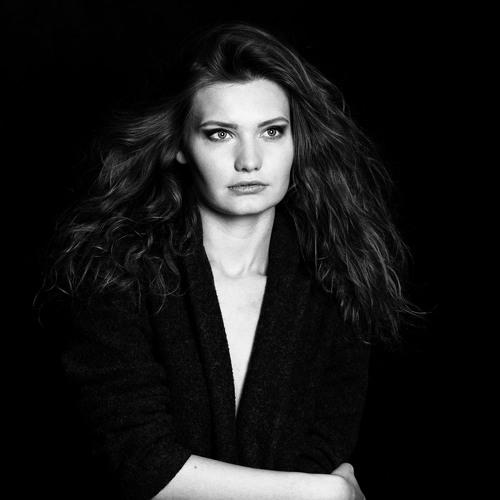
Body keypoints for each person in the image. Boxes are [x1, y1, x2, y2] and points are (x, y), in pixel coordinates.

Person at [39, 22, 415, 500]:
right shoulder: (116, 272)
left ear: (298, 142)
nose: (249, 160)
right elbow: (140, 466)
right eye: (220, 134)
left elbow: (323, 451)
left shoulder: (338, 282)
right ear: (180, 145)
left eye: (272, 132)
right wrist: (324, 494)